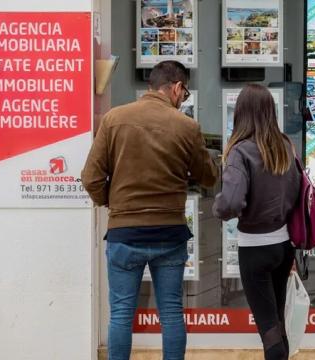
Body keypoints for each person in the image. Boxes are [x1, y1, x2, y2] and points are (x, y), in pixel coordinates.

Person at [82, 60, 218, 360]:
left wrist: (114, 204)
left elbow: (90, 177)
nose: (184, 101)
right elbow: (208, 177)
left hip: (124, 233)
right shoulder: (187, 126)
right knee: (170, 311)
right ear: (178, 88)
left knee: (120, 313)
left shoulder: (114, 119)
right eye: (185, 95)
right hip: (170, 234)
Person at [213, 84, 300, 360]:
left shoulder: (241, 151)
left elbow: (229, 203)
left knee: (268, 327)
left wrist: (217, 207)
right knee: (278, 322)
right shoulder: (286, 145)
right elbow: (297, 192)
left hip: (255, 249)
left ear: (241, 113)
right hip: (284, 246)